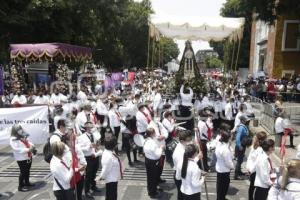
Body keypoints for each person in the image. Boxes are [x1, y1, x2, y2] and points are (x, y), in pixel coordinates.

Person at [76, 121, 103, 198]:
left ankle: (93, 186)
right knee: (88, 175)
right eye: (91, 127)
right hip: (88, 157)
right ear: (86, 128)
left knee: (94, 172)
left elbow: (96, 144)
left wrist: (97, 146)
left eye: (92, 127)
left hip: (95, 156)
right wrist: (89, 147)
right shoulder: (81, 137)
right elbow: (79, 148)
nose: (92, 128)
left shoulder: (94, 135)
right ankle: (87, 191)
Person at [10, 124, 36, 192]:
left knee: (27, 170)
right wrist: (27, 150)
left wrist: (32, 146)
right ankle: (20, 186)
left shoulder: (23, 135)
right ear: (15, 130)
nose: (20, 130)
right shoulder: (13, 138)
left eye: (20, 128)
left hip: (28, 156)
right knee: (23, 171)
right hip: (21, 158)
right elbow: (16, 148)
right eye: (18, 129)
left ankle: (27, 182)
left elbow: (28, 142)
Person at [99, 135, 123, 200]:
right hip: (111, 180)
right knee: (111, 196)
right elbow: (105, 169)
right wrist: (101, 176)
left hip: (113, 178)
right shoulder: (108, 156)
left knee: (112, 195)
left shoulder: (110, 152)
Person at [143, 128, 165, 198]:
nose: (155, 134)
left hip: (148, 160)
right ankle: (153, 193)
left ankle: (152, 190)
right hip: (153, 162)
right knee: (153, 178)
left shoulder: (146, 140)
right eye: (154, 133)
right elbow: (158, 155)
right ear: (152, 134)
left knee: (150, 177)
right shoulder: (152, 143)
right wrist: (161, 148)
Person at [246, 131, 267, 200]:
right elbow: (256, 163)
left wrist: (248, 168)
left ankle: (250, 198)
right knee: (257, 187)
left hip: (251, 170)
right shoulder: (260, 149)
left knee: (252, 187)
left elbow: (249, 158)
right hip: (256, 171)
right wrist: (251, 170)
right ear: (263, 140)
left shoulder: (253, 146)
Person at [172, 130, 193, 200]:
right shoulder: (179, 152)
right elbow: (183, 166)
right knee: (182, 195)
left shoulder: (183, 147)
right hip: (181, 176)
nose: (190, 141)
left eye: (190, 139)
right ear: (181, 141)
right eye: (188, 140)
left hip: (183, 174)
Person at [215, 129, 234, 200]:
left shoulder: (219, 144)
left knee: (219, 188)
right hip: (225, 171)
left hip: (219, 169)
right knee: (223, 189)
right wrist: (232, 166)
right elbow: (228, 162)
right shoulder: (225, 149)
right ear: (228, 139)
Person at [234, 115, 250, 180]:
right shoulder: (241, 128)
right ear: (243, 120)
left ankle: (239, 171)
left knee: (240, 160)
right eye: (245, 120)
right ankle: (236, 175)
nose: (246, 121)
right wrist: (239, 145)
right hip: (240, 145)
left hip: (242, 145)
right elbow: (237, 137)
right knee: (239, 160)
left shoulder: (243, 127)